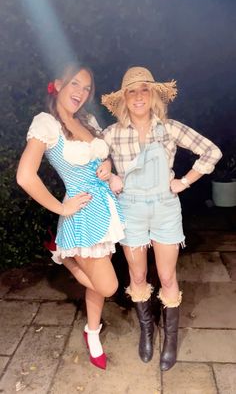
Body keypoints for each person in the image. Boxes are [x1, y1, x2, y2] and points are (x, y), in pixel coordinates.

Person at [101, 66, 222, 371]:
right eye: (132, 91)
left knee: (167, 277)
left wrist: (185, 180)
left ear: (153, 95)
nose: (139, 96)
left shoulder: (169, 128)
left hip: (166, 209)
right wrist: (110, 177)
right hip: (131, 210)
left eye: (145, 89)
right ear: (124, 99)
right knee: (138, 277)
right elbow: (93, 166)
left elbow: (211, 151)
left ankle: (169, 337)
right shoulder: (111, 134)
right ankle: (146, 331)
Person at [17, 62, 125, 370]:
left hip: (105, 208)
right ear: (58, 84)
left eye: (86, 87)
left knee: (96, 280)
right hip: (82, 214)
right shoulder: (46, 123)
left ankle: (93, 333)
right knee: (108, 286)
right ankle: (62, 255)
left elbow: (100, 157)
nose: (81, 92)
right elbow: (26, 176)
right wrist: (61, 208)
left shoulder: (87, 119)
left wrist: (107, 167)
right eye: (75, 84)